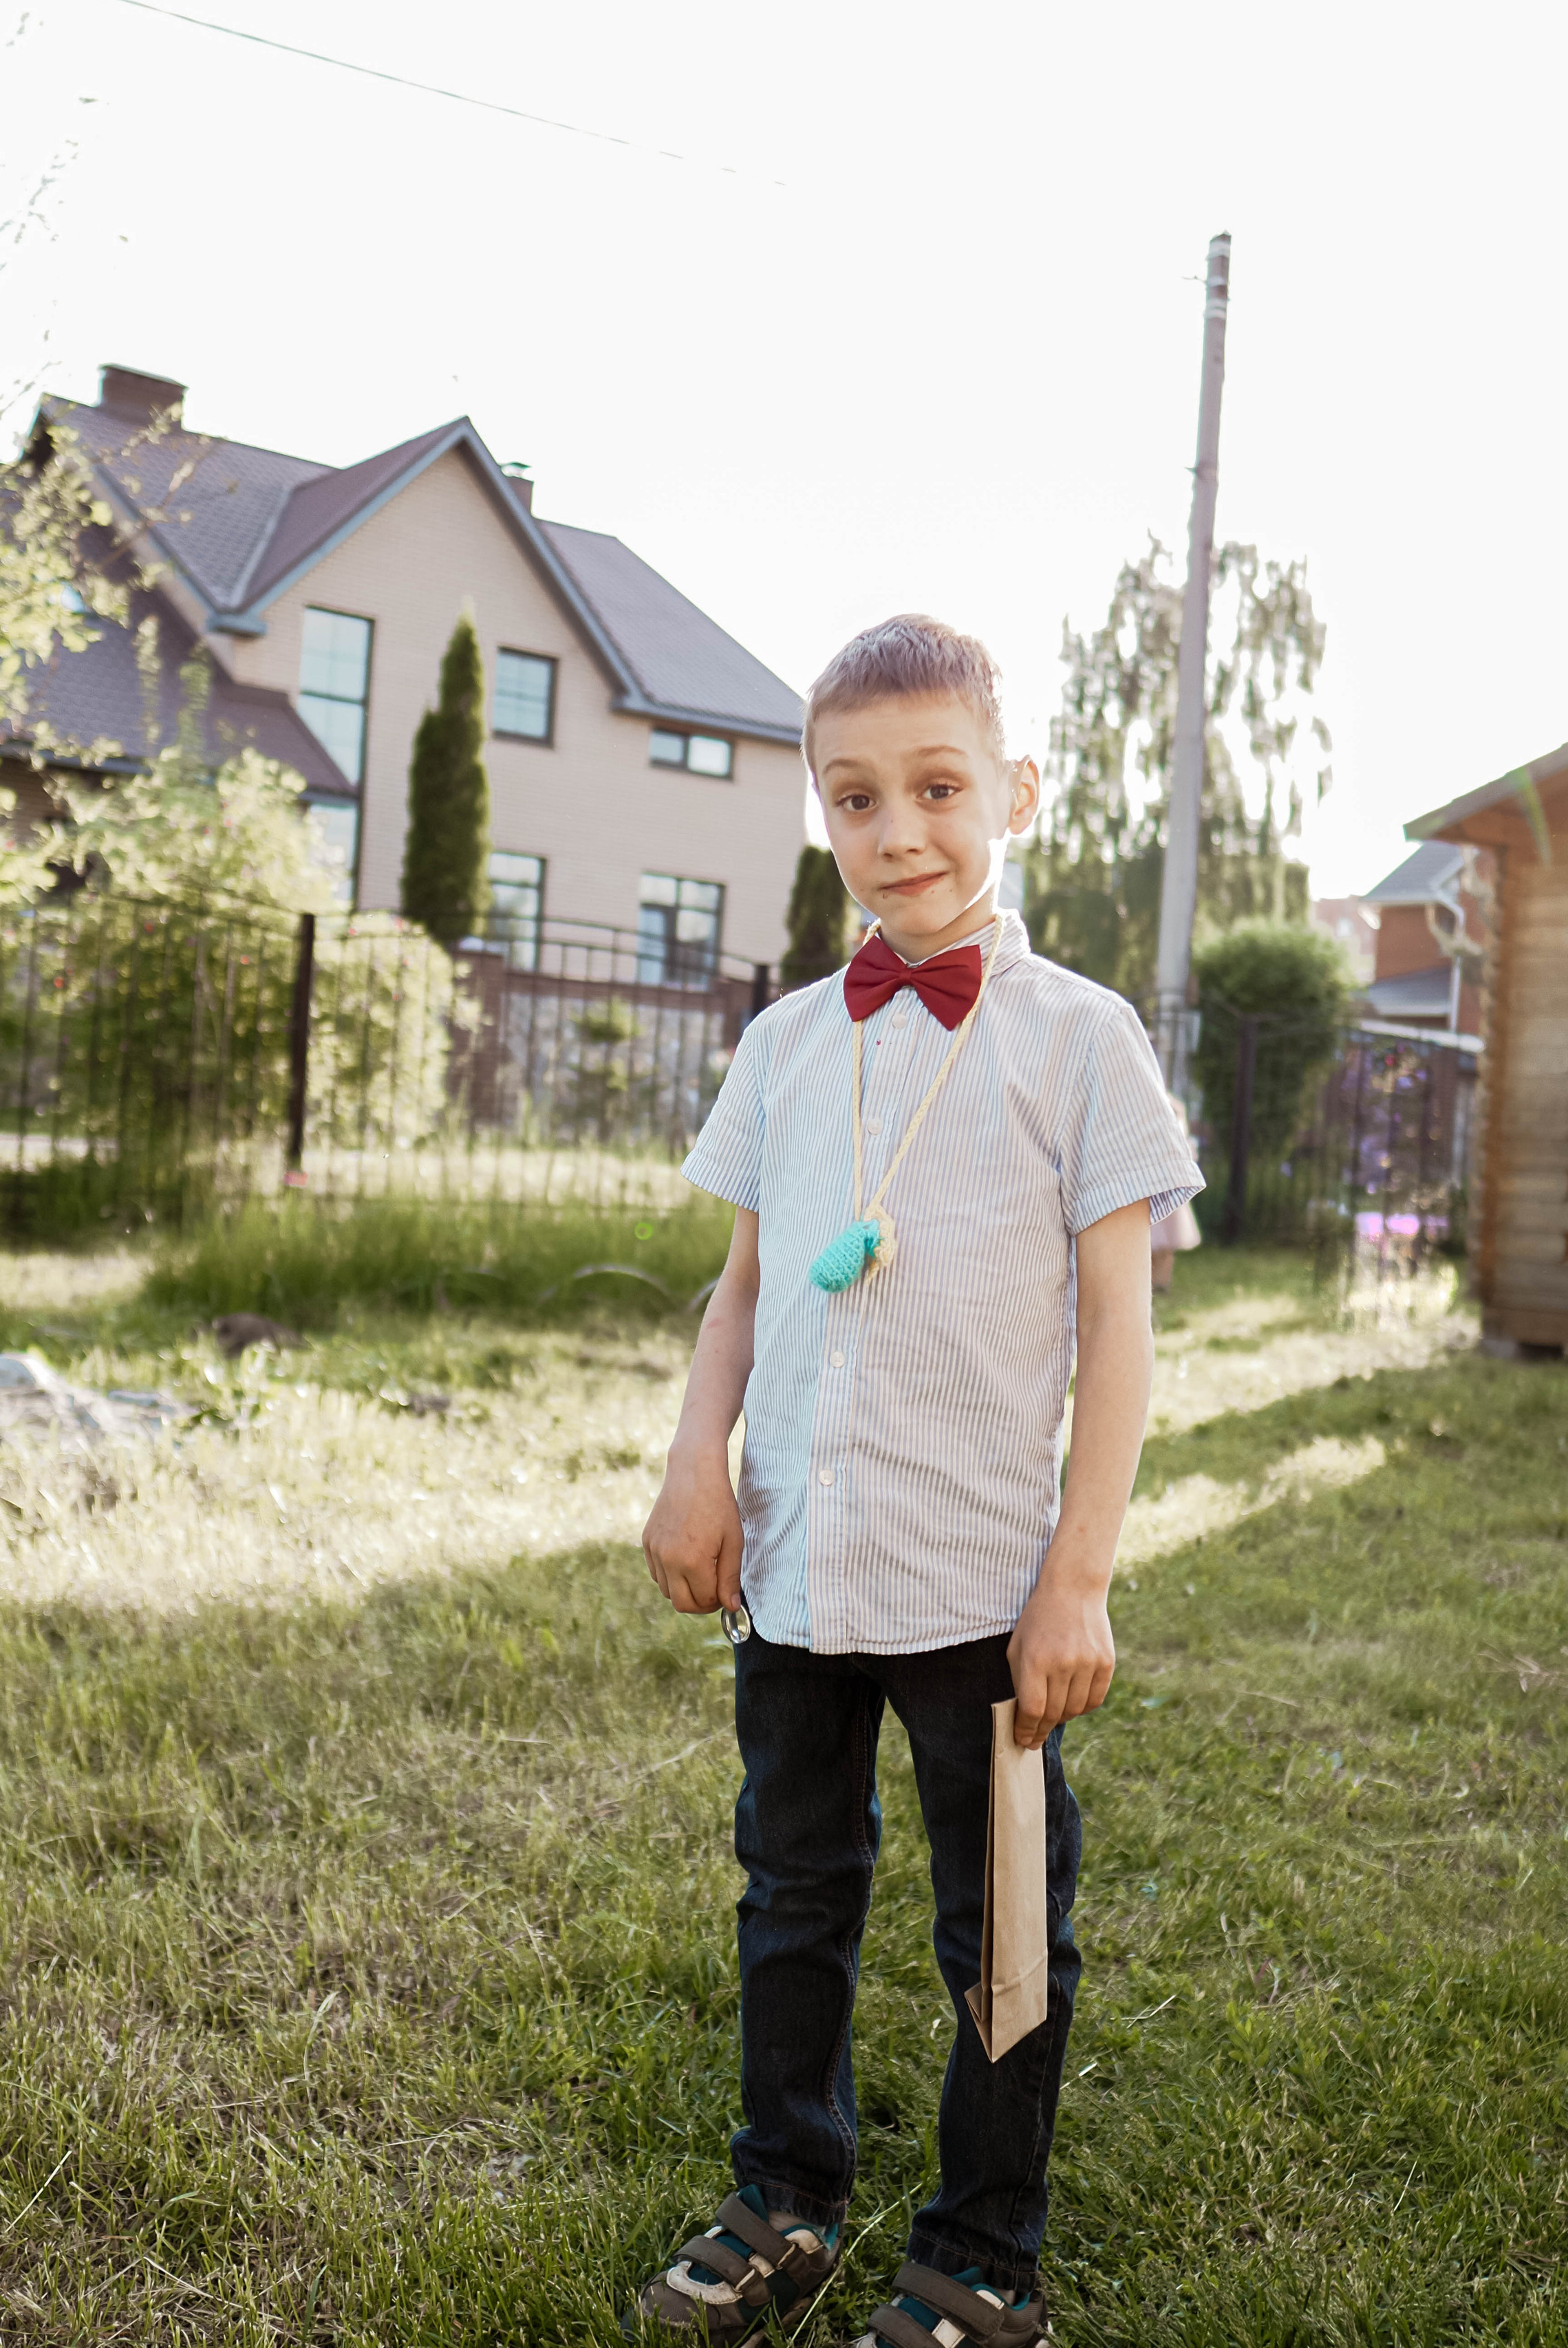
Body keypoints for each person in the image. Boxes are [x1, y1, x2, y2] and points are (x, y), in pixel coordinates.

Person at [638, 616, 1203, 2348]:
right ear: (821, 811)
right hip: (798, 1562)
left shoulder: (1081, 1038)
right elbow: (743, 1286)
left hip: (978, 1581)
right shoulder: (785, 1041)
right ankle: (783, 2189)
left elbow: (1119, 1334)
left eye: (939, 787)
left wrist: (1076, 1576)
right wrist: (695, 1462)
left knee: (1001, 1923)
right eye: (857, 796)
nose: (900, 832)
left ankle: (981, 2250)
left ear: (1014, 791)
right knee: (792, 1886)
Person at [1150, 1095, 1202, 1294]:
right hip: (1153, 1190)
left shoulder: (1176, 1125)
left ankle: (1162, 1282)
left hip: (1170, 1191)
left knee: (1167, 1244)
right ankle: (1150, 1282)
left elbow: (1187, 1155)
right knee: (1151, 1242)